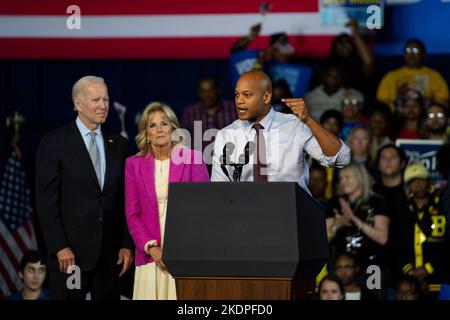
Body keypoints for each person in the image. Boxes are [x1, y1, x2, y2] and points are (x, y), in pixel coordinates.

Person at [35, 75, 133, 300]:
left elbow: (125, 200)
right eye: (96, 100)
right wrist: (59, 246)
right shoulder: (54, 142)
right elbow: (45, 202)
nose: (103, 105)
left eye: (106, 100)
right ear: (78, 104)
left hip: (110, 258)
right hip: (70, 257)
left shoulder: (118, 144)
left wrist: (126, 244)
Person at [211, 70, 351, 192]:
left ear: (266, 97)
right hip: (247, 215)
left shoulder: (295, 126)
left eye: (247, 95)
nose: (239, 101)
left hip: (292, 212)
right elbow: (219, 188)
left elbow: (342, 159)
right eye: (237, 94)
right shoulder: (226, 135)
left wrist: (309, 121)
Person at [125, 102, 209, 300]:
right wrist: (151, 248)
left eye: (164, 123)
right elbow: (132, 213)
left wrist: (179, 249)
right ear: (146, 131)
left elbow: (204, 208)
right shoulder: (133, 164)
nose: (159, 129)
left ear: (173, 127)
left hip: (186, 251)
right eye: (152, 125)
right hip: (149, 255)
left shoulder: (193, 159)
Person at [399, 163, 450, 299]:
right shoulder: (401, 210)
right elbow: (394, 245)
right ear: (408, 186)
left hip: (439, 279)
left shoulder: (443, 207)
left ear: (428, 182)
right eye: (413, 181)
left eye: (421, 180)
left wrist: (427, 269)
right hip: (407, 282)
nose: (418, 185)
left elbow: (447, 244)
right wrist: (411, 272)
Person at [326, 163, 389, 270]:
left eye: (347, 178)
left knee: (374, 284)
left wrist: (354, 219)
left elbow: (382, 239)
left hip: (372, 265)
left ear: (360, 177)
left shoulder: (377, 202)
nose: (343, 182)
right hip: (341, 265)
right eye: (341, 178)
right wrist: (337, 225)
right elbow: (323, 240)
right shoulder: (336, 203)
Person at [377, 38, 449, 112]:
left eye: (415, 51)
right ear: (404, 53)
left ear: (423, 54)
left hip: (424, 117)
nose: (411, 54)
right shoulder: (390, 76)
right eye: (408, 50)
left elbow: (443, 104)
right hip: (396, 117)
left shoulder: (434, 76)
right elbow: (382, 105)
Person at [373, 144, 409, 280]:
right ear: (378, 165)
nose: (388, 161)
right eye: (384, 158)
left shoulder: (412, 192)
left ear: (402, 163)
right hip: (377, 263)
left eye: (393, 157)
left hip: (408, 261)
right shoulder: (371, 193)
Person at [180, 76, 236, 147]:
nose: (207, 94)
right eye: (203, 91)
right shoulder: (190, 113)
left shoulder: (232, 109)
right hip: (199, 157)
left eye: (210, 90)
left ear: (218, 90)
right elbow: (183, 140)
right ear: (198, 93)